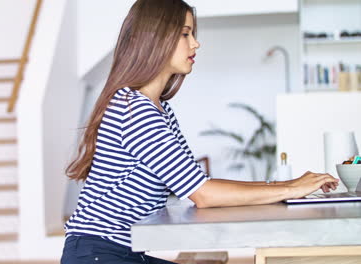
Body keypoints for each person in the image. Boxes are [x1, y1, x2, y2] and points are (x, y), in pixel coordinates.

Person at [61, 0, 339, 263]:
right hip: (99, 253)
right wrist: (290, 188)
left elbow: (198, 182)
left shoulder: (159, 109)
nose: (196, 43)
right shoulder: (134, 110)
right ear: (155, 38)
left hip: (118, 252)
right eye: (185, 34)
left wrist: (285, 188)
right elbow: (203, 194)